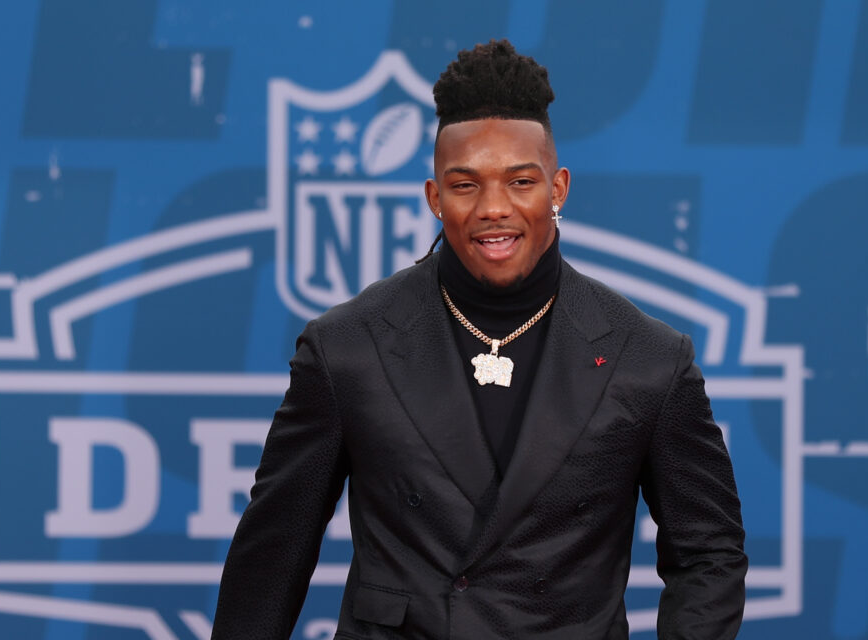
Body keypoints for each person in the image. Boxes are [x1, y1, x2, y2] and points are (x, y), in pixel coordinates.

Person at [212, 39, 747, 639]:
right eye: (466, 186)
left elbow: (709, 555)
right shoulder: (347, 349)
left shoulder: (647, 360)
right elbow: (272, 554)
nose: (494, 208)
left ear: (558, 189)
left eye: (520, 181)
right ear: (435, 198)